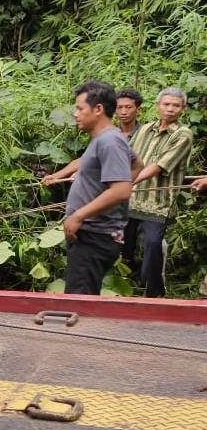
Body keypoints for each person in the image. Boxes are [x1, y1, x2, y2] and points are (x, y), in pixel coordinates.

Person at [62, 81, 135, 295]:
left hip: (95, 235)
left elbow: (121, 190)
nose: (75, 114)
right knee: (82, 296)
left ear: (98, 109)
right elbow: (137, 165)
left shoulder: (110, 141)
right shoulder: (105, 139)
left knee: (79, 301)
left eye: (80, 108)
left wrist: (79, 215)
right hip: (90, 234)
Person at [123, 87, 194, 297]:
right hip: (131, 198)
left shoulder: (183, 134)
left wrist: (129, 181)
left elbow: (158, 166)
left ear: (183, 108)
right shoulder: (144, 129)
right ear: (158, 106)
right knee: (123, 243)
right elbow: (128, 157)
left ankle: (153, 292)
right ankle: (125, 285)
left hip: (158, 202)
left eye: (176, 105)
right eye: (166, 104)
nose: (170, 109)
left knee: (153, 244)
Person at [42, 87, 143, 185]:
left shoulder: (145, 133)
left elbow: (142, 165)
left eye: (128, 107)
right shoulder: (107, 135)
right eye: (119, 107)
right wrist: (56, 176)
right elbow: (86, 159)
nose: (123, 112)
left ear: (138, 110)